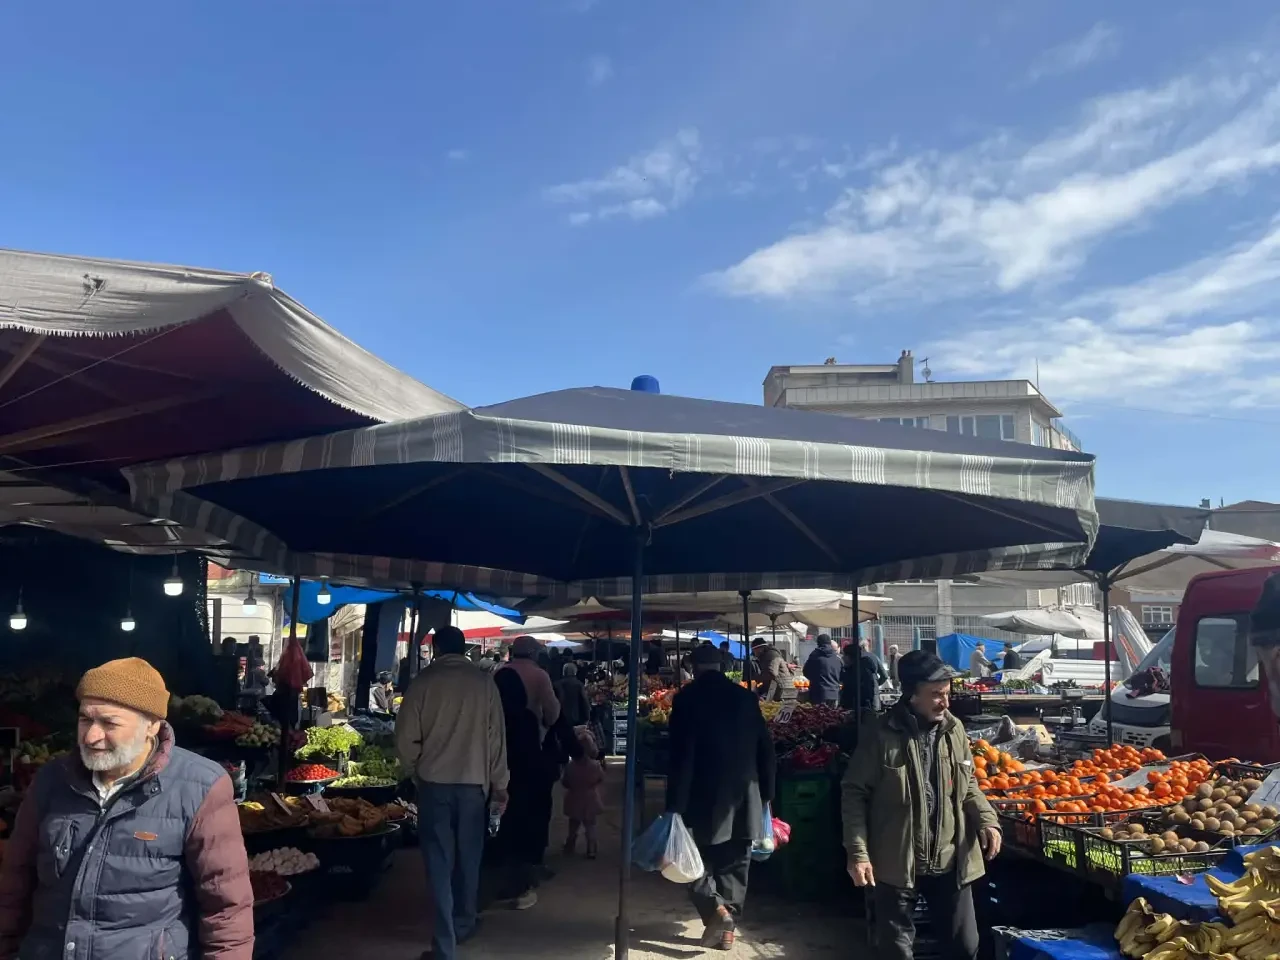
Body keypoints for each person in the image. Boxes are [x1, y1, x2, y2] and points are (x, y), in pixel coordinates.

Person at [0, 657, 253, 960]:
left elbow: (226, 910)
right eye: (85, 720)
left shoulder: (200, 786)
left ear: (152, 726)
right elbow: (13, 886)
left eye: (109, 723)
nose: (91, 736)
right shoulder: (52, 781)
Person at [841, 650, 1001, 960]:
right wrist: (858, 854)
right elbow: (854, 793)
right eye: (937, 695)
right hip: (896, 862)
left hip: (950, 859)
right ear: (912, 694)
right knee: (896, 951)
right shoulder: (880, 734)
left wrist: (986, 819)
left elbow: (967, 782)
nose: (945, 702)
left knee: (965, 948)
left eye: (947, 693)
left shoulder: (954, 730)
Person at [396, 626, 509, 960]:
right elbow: (496, 740)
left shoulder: (423, 683)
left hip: (434, 786)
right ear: (466, 650)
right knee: (470, 859)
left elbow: (405, 739)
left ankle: (445, 946)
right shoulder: (484, 684)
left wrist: (415, 768)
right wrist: (500, 784)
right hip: (474, 786)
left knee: (438, 863)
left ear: (436, 649)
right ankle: (464, 922)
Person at [666, 643, 776, 950]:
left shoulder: (686, 699)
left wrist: (674, 802)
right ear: (720, 664)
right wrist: (767, 793)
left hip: (699, 793)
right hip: (744, 792)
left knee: (688, 861)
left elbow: (678, 754)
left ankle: (715, 909)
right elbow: (765, 748)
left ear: (693, 666)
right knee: (735, 864)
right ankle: (727, 926)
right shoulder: (744, 697)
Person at [500, 635, 562, 737]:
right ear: (534, 653)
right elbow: (552, 713)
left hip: (503, 734)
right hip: (531, 735)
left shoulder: (499, 672)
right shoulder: (540, 675)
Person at [562, 727, 605, 859]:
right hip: (590, 798)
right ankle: (591, 848)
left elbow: (565, 782)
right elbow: (601, 778)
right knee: (590, 825)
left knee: (573, 825)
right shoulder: (595, 765)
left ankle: (570, 844)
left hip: (574, 797)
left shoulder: (570, 766)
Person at [803, 634, 843, 706]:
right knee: (833, 715)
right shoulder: (838, 659)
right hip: (835, 694)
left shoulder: (814, 657)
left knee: (820, 716)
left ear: (818, 643)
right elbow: (842, 676)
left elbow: (806, 672)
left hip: (818, 694)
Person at [554, 662, 591, 729]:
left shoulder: (557, 685)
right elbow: (585, 702)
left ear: (563, 671)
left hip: (559, 720)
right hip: (575, 720)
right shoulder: (579, 685)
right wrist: (587, 718)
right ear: (575, 672)